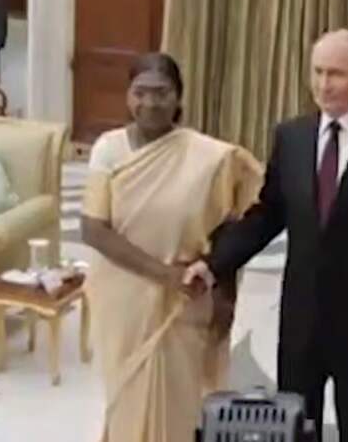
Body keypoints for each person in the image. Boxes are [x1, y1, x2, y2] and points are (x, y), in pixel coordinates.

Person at [184, 29, 348, 442]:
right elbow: (268, 214)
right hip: (302, 320)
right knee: (297, 428)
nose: (323, 84)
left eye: (336, 73)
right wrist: (215, 264)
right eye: (317, 72)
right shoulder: (292, 137)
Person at [81, 52, 263, 442]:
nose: (150, 103)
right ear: (127, 95)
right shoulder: (108, 149)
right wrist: (165, 275)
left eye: (161, 92)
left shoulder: (208, 157)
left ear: (178, 96)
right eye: (140, 92)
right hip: (122, 297)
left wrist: (224, 292)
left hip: (186, 297)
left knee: (180, 398)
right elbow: (94, 229)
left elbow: (234, 220)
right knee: (126, 393)